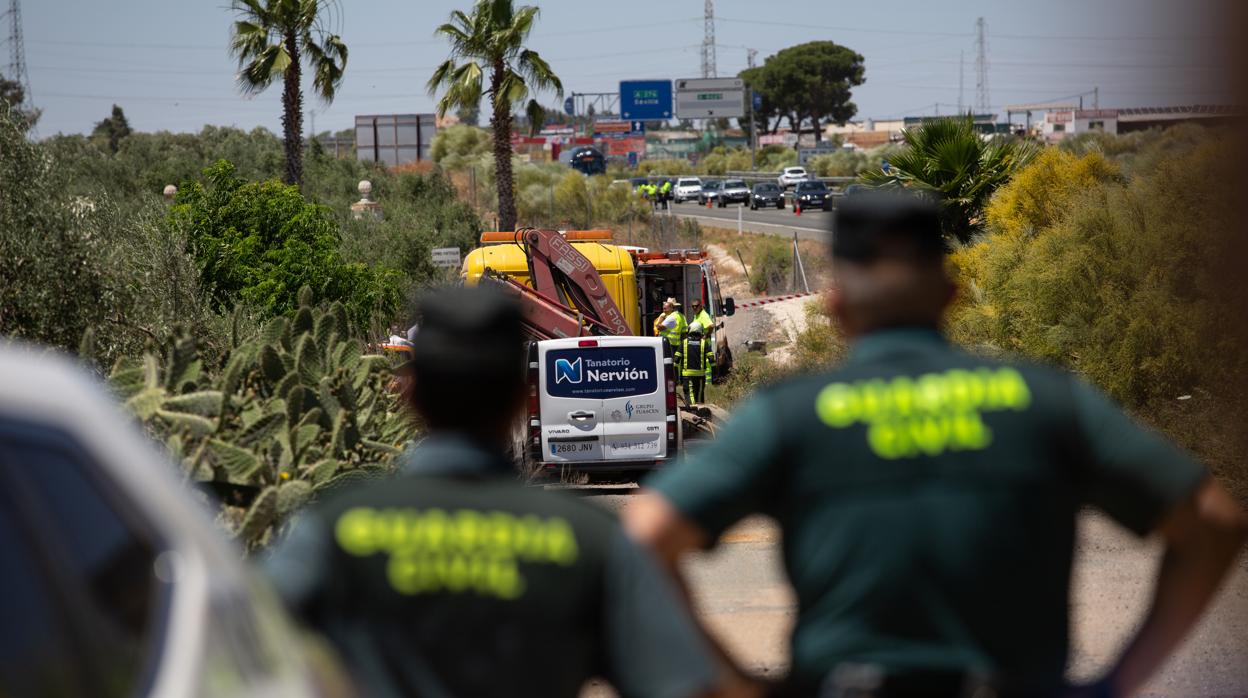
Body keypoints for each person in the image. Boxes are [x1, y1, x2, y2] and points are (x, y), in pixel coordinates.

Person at [625, 191, 1248, 697]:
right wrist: (1117, 684)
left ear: (835, 308)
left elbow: (644, 537)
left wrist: (736, 686)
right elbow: (1214, 521)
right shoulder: (1047, 399)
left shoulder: (790, 417)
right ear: (951, 295)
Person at [264, 286, 732, 698]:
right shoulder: (595, 541)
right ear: (519, 394)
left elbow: (236, 649)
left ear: (413, 394)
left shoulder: (332, 530)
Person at [681, 326, 713, 405]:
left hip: (687, 375)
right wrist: (715, 375)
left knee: (689, 395)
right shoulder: (704, 343)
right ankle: (699, 412)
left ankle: (692, 411)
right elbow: (712, 359)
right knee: (699, 396)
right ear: (701, 331)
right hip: (700, 375)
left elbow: (676, 360)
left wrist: (676, 377)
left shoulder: (684, 342)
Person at [655, 296, 688, 366]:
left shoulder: (671, 317)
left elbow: (659, 327)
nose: (664, 311)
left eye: (665, 309)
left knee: (667, 363)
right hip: (677, 344)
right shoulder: (681, 316)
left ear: (671, 308)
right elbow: (684, 333)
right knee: (675, 363)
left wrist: (661, 317)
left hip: (668, 344)